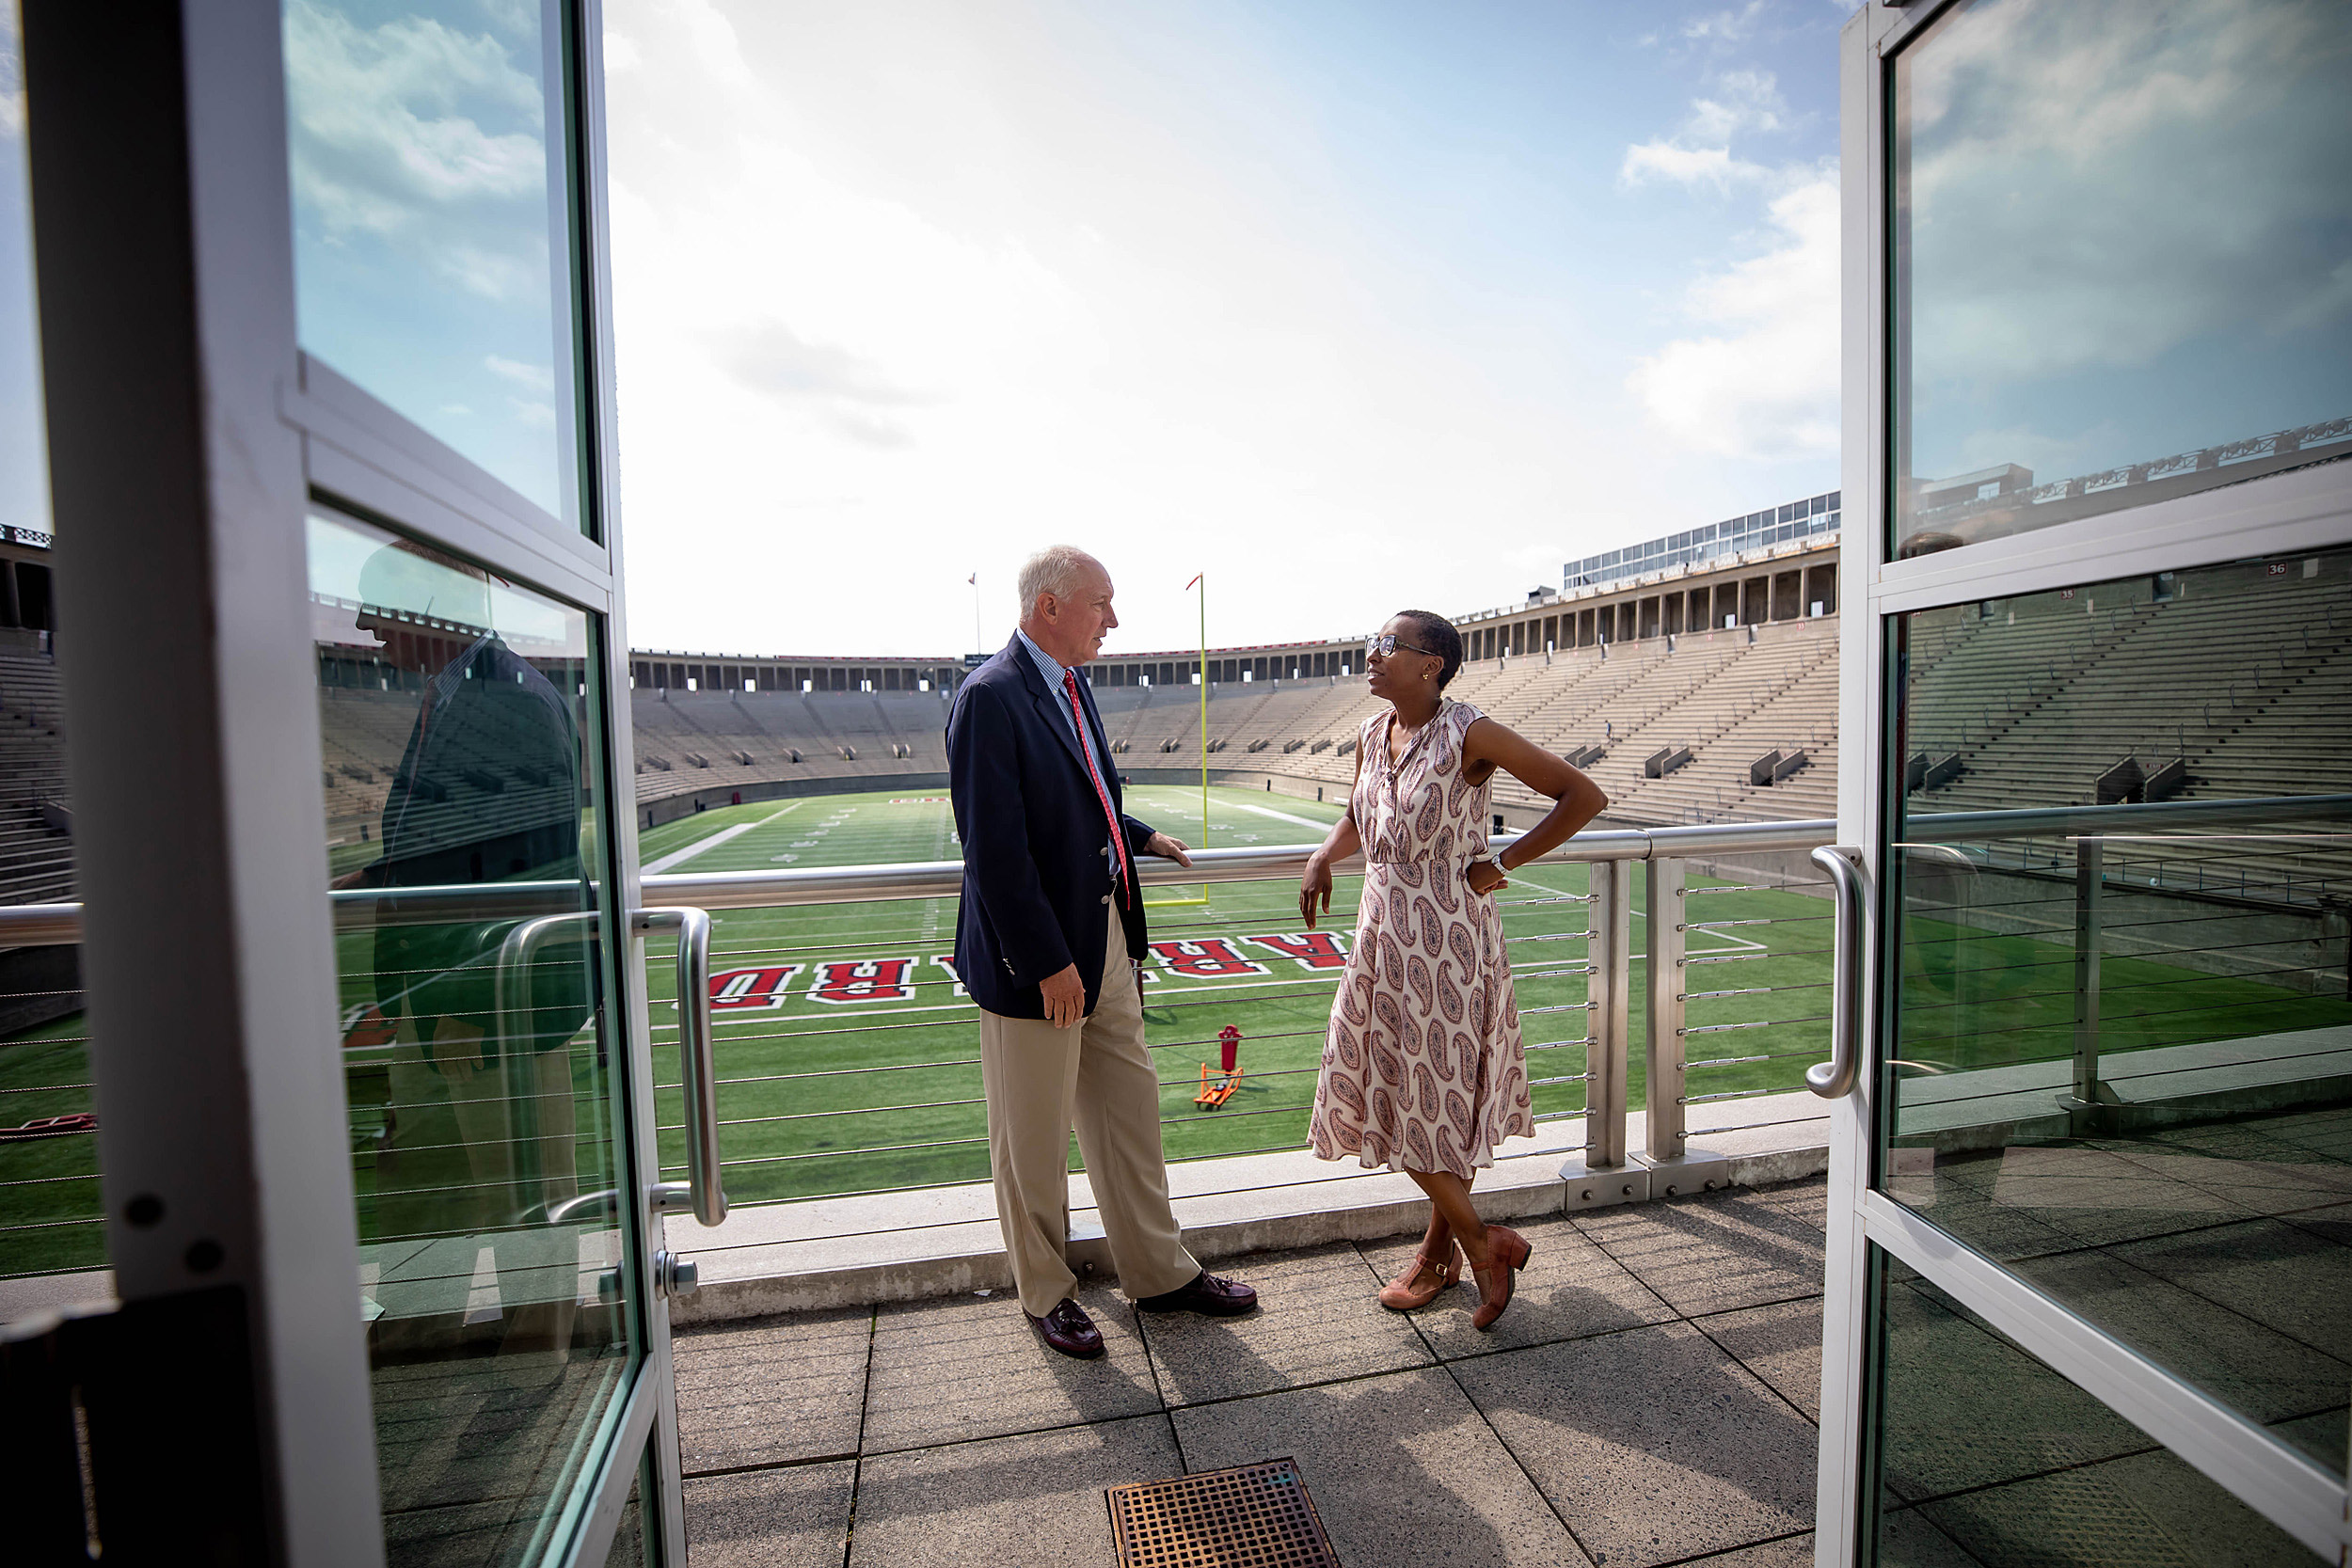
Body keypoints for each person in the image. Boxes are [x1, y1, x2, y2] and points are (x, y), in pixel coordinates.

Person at [948, 546, 1258, 1358]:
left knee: (1130, 1112)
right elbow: (995, 849)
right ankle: (1045, 1291)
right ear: (1049, 606)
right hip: (1041, 959)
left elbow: (1079, 798)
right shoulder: (990, 697)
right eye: (1101, 604)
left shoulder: (1071, 683)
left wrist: (1139, 835)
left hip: (1107, 937)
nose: (1113, 620)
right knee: (1034, 1138)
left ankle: (1159, 1272)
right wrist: (1046, 960)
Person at [1299, 610, 1606, 1329]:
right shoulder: (1372, 734)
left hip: (1449, 945)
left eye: (1386, 646)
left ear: (1430, 663)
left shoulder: (1470, 731)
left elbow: (1582, 797)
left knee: (1431, 1098)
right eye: (1372, 642)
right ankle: (1455, 1249)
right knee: (1387, 1084)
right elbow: (1360, 811)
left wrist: (1501, 862)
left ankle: (1473, 1243)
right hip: (1381, 938)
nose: (1370, 654)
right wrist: (1323, 853)